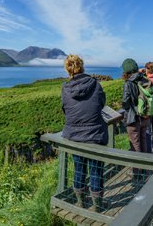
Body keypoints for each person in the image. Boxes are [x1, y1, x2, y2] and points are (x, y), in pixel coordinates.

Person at [61, 55, 107, 212]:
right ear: (82, 66)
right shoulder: (95, 84)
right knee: (96, 170)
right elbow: (102, 103)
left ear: (68, 69)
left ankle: (80, 201)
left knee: (79, 169)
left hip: (74, 136)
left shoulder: (65, 88)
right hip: (95, 135)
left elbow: (64, 109)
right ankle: (97, 206)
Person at [122, 58, 151, 154]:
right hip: (145, 116)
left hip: (133, 118)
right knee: (143, 141)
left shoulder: (128, 83)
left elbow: (125, 101)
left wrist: (127, 109)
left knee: (135, 144)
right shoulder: (144, 79)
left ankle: (137, 168)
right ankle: (145, 167)